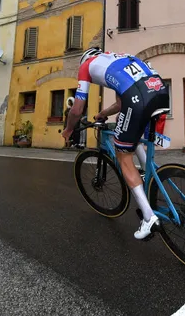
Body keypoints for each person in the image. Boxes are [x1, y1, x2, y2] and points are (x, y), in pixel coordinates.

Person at [62, 47, 169, 240]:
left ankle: (148, 217)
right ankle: (147, 173)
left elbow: (77, 109)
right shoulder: (119, 59)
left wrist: (69, 129)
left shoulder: (87, 66)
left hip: (138, 98)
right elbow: (121, 104)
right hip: (159, 90)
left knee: (123, 155)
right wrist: (102, 114)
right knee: (129, 134)